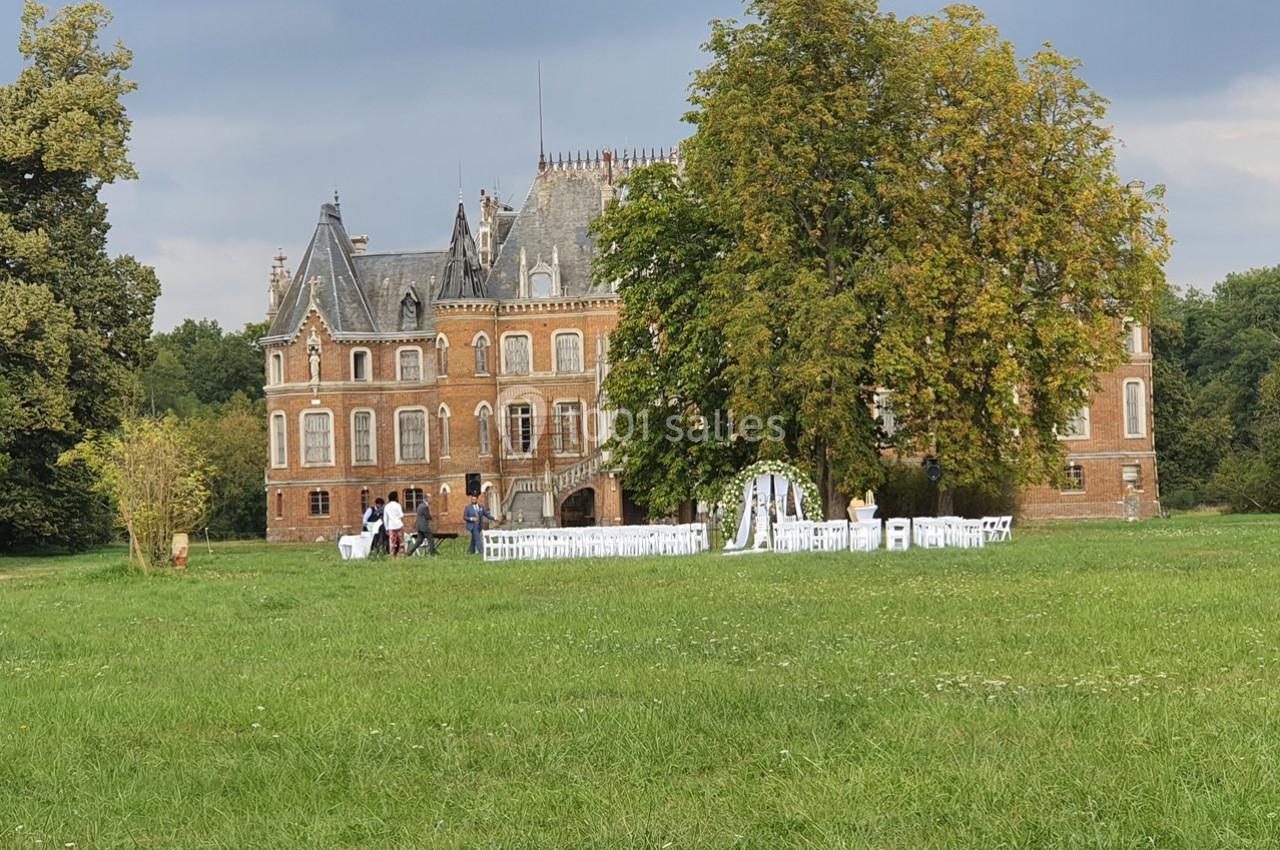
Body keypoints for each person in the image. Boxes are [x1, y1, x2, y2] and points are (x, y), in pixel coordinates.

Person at [383, 491, 406, 557]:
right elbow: (401, 515)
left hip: (391, 526)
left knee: (392, 542)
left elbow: (385, 518)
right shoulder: (398, 505)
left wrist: (386, 528)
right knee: (401, 541)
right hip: (399, 524)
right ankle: (402, 554)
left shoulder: (387, 506)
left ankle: (393, 555)